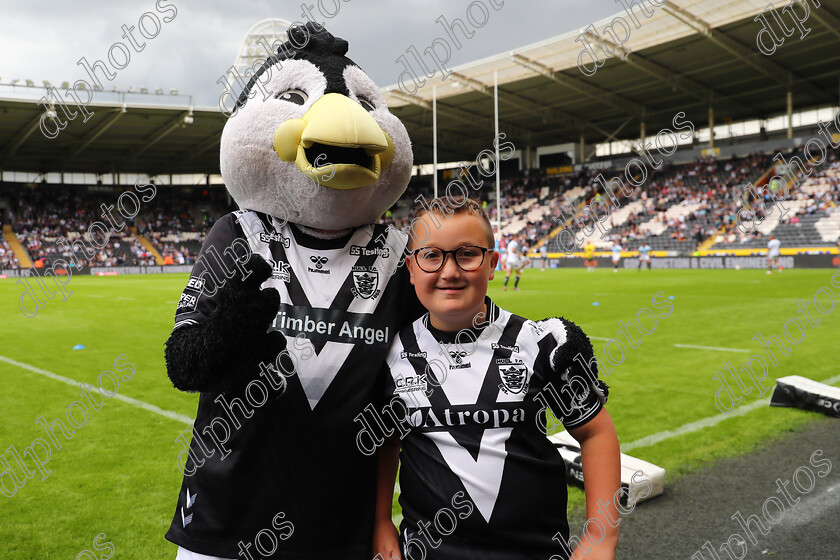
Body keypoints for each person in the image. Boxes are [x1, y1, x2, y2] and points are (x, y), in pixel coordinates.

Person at [373, 196, 620, 560]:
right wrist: (380, 521)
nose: (450, 271)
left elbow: (596, 432)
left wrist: (602, 537)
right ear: (410, 269)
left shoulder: (545, 343)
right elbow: (387, 443)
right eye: (431, 256)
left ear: (492, 264)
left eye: (467, 254)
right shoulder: (389, 355)